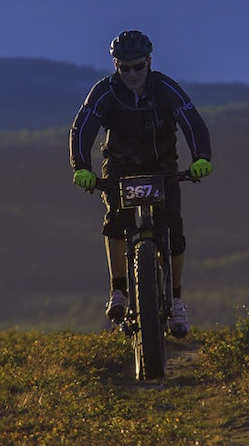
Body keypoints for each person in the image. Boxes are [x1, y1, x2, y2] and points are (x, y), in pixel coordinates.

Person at [69, 29, 212, 337]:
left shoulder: (164, 88)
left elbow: (192, 122)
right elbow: (83, 127)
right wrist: (81, 166)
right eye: (124, 67)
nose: (131, 73)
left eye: (137, 66)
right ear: (116, 66)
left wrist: (201, 157)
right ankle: (118, 290)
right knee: (115, 223)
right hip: (121, 167)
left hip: (162, 167)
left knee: (173, 228)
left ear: (149, 62)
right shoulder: (105, 92)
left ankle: (175, 301)